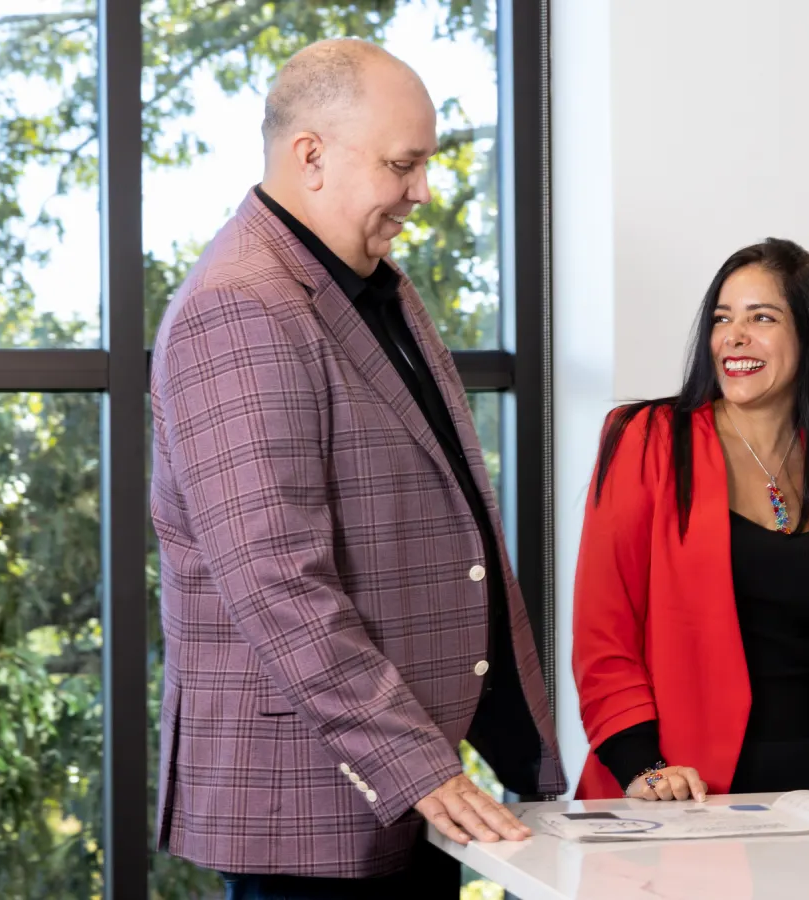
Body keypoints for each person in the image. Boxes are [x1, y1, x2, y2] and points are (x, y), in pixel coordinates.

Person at [150, 39, 563, 897]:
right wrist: (420, 769)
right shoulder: (239, 307)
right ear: (312, 157)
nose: (421, 192)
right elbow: (276, 580)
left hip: (407, 783)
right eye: (402, 165)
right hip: (315, 799)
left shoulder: (373, 283)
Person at [573, 238, 809, 801]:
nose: (733, 335)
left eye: (762, 317)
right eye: (723, 318)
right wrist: (644, 769)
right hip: (674, 793)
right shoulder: (647, 440)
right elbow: (602, 636)